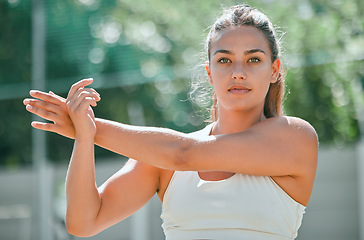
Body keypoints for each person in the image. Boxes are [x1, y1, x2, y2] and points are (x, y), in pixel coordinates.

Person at [23, 5, 318, 240]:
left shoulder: (295, 137)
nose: (238, 72)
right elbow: (84, 222)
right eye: (224, 60)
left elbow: (183, 154)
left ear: (275, 70)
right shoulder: (160, 157)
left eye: (253, 59)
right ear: (209, 71)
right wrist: (84, 137)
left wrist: (90, 126)